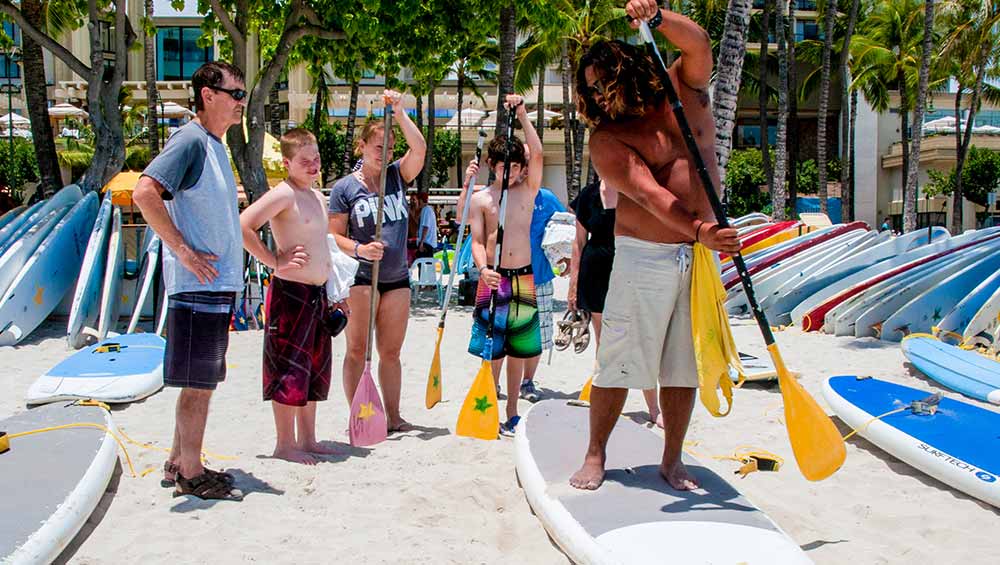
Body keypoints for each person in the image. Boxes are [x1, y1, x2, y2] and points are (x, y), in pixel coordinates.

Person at [568, 1, 740, 492]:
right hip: (644, 257)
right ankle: (596, 453)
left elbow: (700, 44)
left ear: (629, 69)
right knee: (619, 361)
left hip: (698, 259)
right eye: (591, 89)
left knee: (683, 365)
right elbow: (650, 194)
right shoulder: (608, 139)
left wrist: (657, 18)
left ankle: (672, 459)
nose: (599, 94)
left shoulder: (683, 88)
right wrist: (702, 229)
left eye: (604, 82)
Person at [133, 61, 248, 501]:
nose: (242, 102)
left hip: (212, 286)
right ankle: (191, 473)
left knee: (199, 380)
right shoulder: (191, 140)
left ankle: (179, 460)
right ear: (208, 95)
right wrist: (182, 250)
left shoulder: (215, 145)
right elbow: (145, 192)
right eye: (235, 93)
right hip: (197, 285)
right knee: (199, 384)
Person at [239, 128, 345, 465]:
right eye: (305, 160)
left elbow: (323, 245)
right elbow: (243, 225)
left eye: (316, 158)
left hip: (318, 294)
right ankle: (285, 444)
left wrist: (337, 290)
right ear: (287, 163)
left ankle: (308, 438)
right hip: (290, 293)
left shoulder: (316, 195)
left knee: (313, 369)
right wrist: (274, 260)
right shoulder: (282, 194)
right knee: (288, 368)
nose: (313, 165)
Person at [328, 89, 426, 433]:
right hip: (360, 277)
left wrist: (399, 112)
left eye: (389, 147)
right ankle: (359, 413)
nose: (383, 153)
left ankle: (394, 415)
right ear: (362, 147)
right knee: (356, 349)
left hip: (397, 277)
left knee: (391, 352)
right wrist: (359, 249)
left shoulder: (398, 175)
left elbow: (420, 149)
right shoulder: (345, 188)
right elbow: (334, 237)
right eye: (376, 146)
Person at [467, 94, 544, 435]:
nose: (510, 171)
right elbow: (478, 241)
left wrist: (524, 114)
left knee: (518, 349)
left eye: (514, 166)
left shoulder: (527, 191)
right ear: (492, 166)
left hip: (522, 278)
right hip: (493, 280)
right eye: (503, 166)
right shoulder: (482, 199)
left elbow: (538, 152)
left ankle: (513, 410)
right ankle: (490, 403)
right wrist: (483, 268)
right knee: (492, 348)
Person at [569, 177, 662, 426]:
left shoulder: (634, 192)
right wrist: (573, 285)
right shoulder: (588, 196)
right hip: (595, 274)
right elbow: (578, 244)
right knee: (604, 343)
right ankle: (605, 403)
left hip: (630, 272)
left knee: (639, 340)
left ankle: (654, 408)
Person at [415, 191, 438, 259]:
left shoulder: (426, 210)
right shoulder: (429, 209)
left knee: (423, 265)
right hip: (429, 243)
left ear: (421, 200)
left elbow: (426, 227)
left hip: (427, 243)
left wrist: (421, 242)